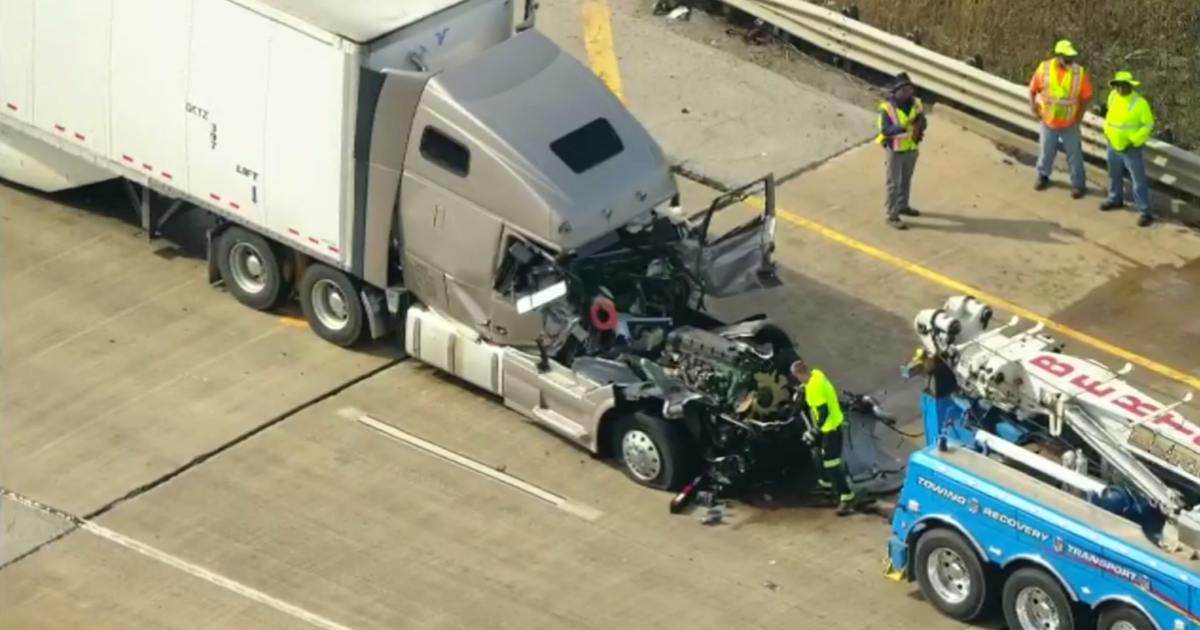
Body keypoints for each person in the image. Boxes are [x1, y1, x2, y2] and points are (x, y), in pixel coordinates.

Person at [790, 358, 857, 515]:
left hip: (830, 430)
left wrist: (814, 431)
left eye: (796, 377)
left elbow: (823, 412)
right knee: (816, 452)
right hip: (830, 427)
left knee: (831, 464)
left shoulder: (814, 388)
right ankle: (827, 486)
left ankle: (847, 497)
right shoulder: (817, 375)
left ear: (799, 374)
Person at [1028, 40, 1092, 198]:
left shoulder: (1079, 72)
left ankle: (1078, 185)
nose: (1070, 61)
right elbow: (1032, 89)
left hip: (1070, 123)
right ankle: (1043, 176)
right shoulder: (1044, 68)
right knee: (1046, 151)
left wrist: (1080, 114)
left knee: (1074, 155)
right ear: (1059, 56)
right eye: (1067, 58)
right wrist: (1032, 105)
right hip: (1048, 121)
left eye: (1072, 57)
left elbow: (1086, 96)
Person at [1100, 71, 1156, 227]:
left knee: (1137, 180)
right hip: (1113, 143)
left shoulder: (1139, 103)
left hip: (1131, 148)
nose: (1120, 89)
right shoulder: (1112, 96)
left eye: (1123, 85)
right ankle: (1114, 199)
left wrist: (1135, 140)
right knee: (1113, 174)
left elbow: (1148, 124)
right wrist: (1108, 134)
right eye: (1117, 85)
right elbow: (1110, 117)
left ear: (1130, 86)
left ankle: (1145, 212)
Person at [875, 72, 927, 230]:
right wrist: (903, 127)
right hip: (895, 150)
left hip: (911, 148)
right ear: (896, 91)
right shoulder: (887, 109)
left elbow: (922, 119)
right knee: (893, 183)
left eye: (909, 89)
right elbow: (885, 130)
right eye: (904, 90)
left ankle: (903, 205)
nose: (907, 93)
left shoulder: (916, 103)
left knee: (906, 180)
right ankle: (891, 215)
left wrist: (921, 125)